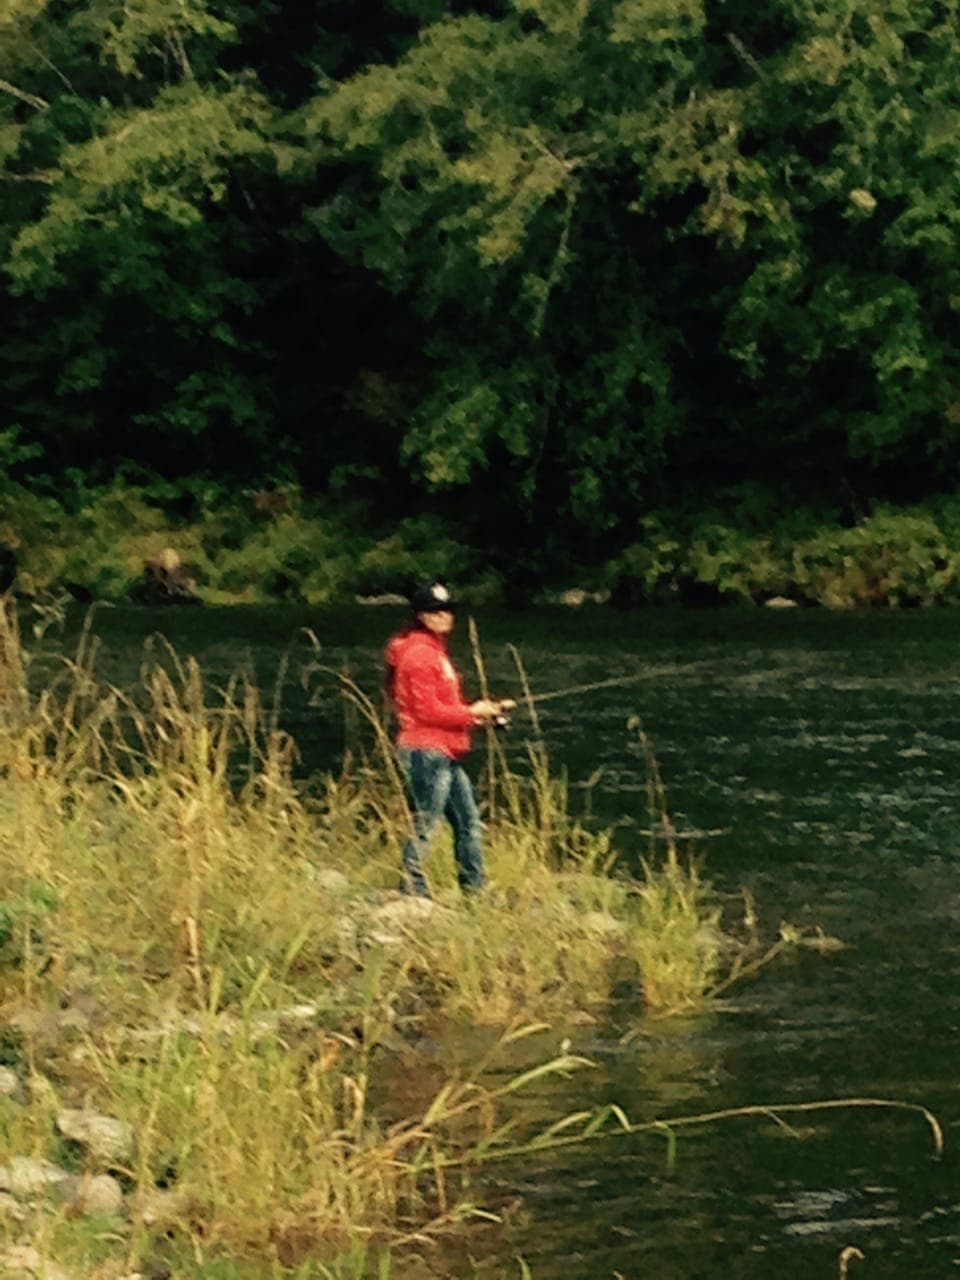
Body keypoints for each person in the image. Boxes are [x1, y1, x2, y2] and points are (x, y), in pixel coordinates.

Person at [384, 581, 513, 898]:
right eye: (435, 611)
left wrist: (488, 712)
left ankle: (475, 887)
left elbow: (445, 707)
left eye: (448, 610)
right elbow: (427, 712)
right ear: (421, 616)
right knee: (426, 824)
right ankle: (412, 888)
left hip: (445, 751)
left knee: (468, 822)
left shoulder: (433, 652)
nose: (444, 616)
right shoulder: (418, 655)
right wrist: (473, 713)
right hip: (424, 751)